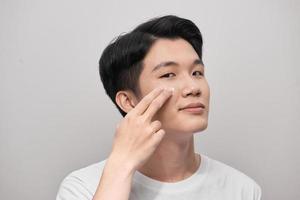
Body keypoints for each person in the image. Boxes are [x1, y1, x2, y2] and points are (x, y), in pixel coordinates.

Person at [56, 15, 262, 200]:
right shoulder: (83, 188)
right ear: (128, 101)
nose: (193, 87)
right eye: (168, 75)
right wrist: (121, 167)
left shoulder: (242, 190)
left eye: (197, 72)